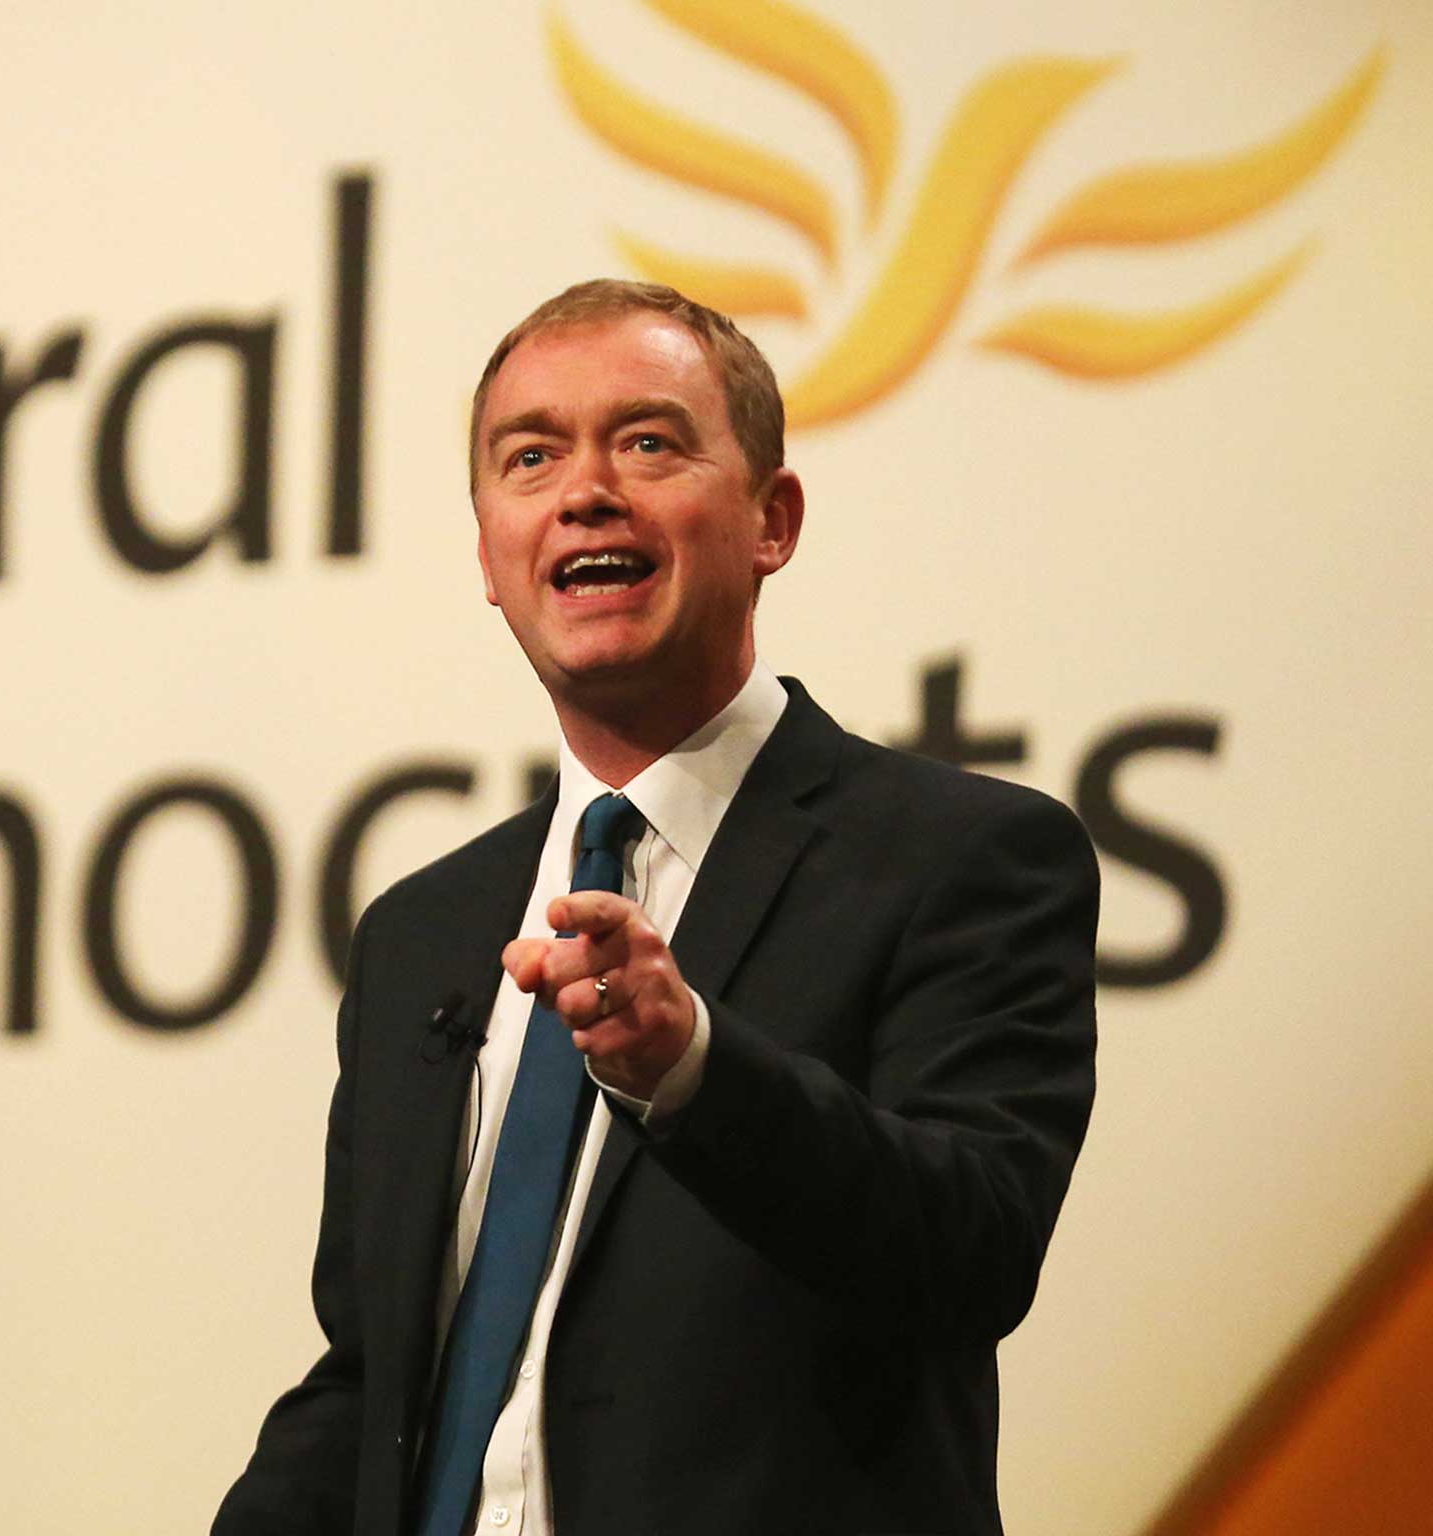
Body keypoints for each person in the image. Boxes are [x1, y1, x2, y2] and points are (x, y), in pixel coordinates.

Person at [212, 280, 1098, 1536]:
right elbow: (373, 1383)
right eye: (530, 456)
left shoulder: (960, 859)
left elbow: (972, 1249)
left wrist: (692, 1068)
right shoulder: (423, 930)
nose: (583, 491)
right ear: (486, 555)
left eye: (646, 442)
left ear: (769, 521)